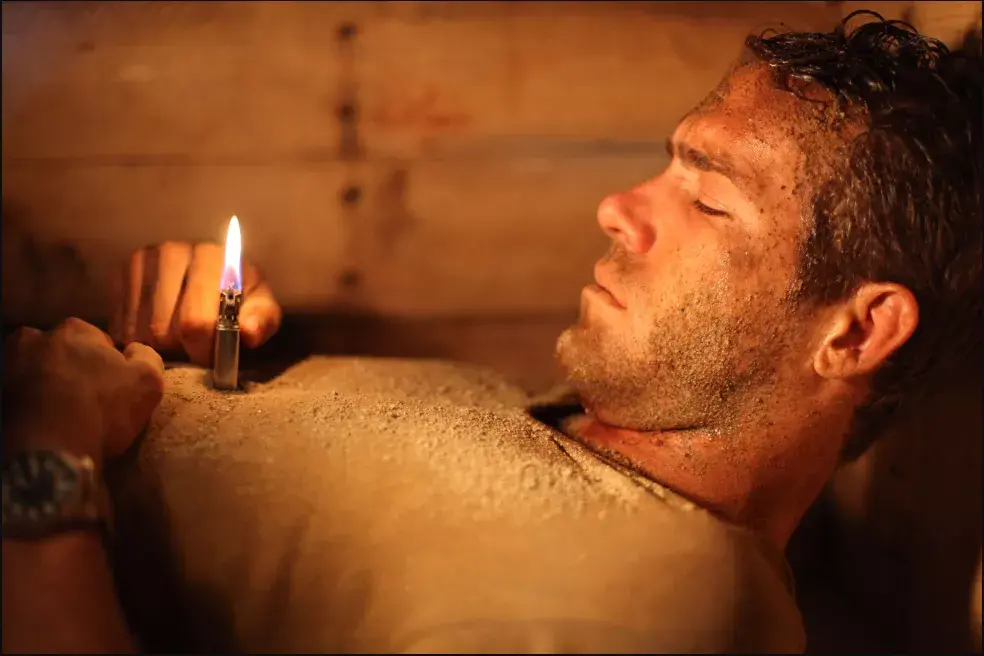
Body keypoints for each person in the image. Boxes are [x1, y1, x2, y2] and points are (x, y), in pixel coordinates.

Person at [3, 12, 980, 654]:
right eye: (665, 167)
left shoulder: (641, 610)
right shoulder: (589, 424)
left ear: (858, 331)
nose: (616, 208)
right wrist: (197, 356)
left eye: (709, 200)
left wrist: (44, 450)